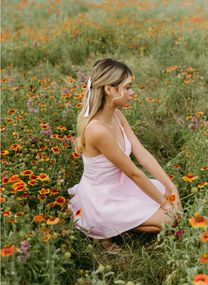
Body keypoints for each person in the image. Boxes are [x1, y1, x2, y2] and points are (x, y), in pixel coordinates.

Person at [68, 58, 183, 252]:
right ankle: (104, 229)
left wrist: (171, 187)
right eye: (127, 87)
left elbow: (142, 153)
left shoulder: (116, 115)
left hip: (121, 187)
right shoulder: (98, 131)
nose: (132, 93)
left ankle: (122, 224)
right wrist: (164, 203)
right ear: (109, 89)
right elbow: (134, 173)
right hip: (103, 198)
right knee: (171, 218)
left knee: (174, 207)